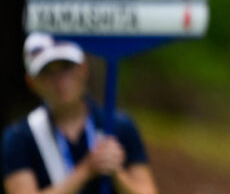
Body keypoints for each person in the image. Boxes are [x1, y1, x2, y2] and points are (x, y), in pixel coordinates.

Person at [2, 32, 158, 194]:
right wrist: (86, 170)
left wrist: (116, 173)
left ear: (84, 68)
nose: (60, 80)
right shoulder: (19, 138)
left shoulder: (119, 126)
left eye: (66, 66)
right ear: (32, 82)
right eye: (48, 71)